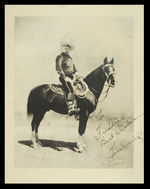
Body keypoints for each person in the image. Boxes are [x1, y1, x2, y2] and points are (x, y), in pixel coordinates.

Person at [55, 38, 80, 116]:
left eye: (67, 46)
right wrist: (65, 77)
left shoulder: (70, 58)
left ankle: (77, 108)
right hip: (64, 77)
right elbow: (58, 68)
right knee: (70, 88)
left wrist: (77, 73)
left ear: (69, 48)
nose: (66, 48)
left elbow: (74, 69)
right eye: (64, 46)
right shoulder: (59, 57)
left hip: (72, 76)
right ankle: (70, 108)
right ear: (62, 48)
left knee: (79, 88)